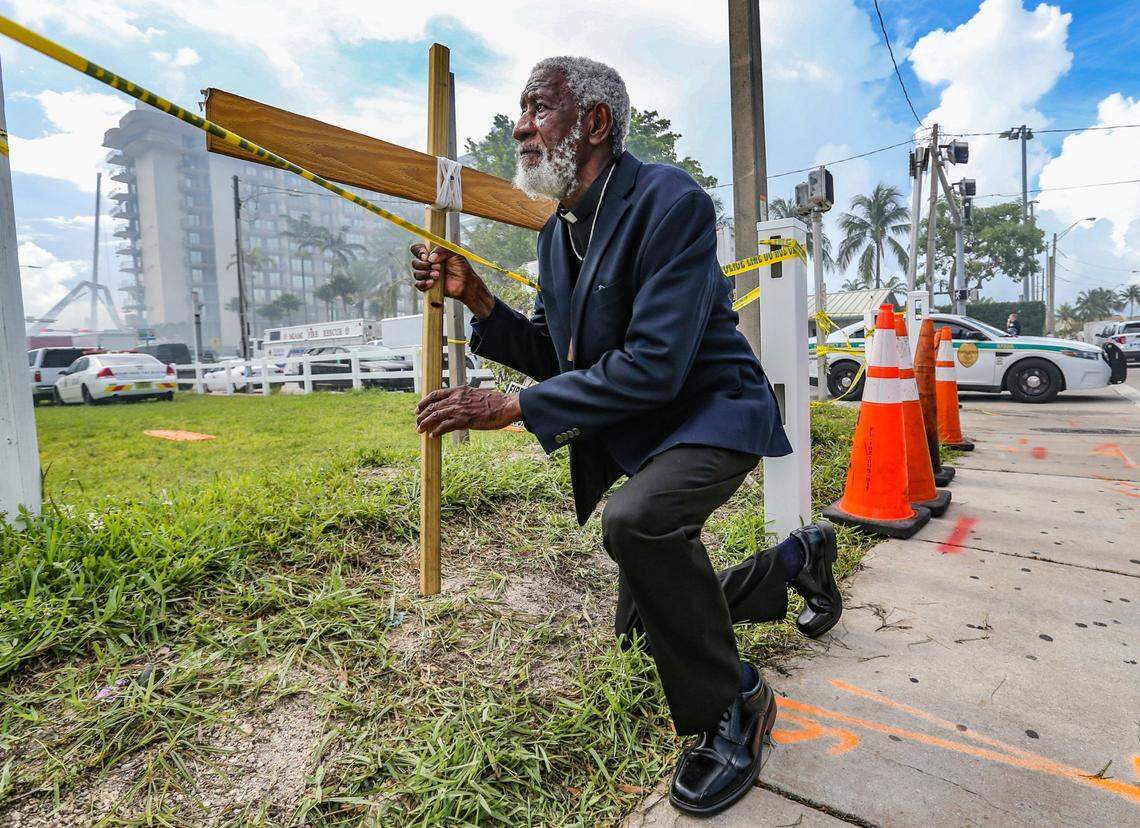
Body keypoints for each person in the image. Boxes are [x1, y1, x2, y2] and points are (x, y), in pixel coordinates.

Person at [410, 56, 841, 817]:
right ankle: (796, 560)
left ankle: (735, 702)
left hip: (713, 413)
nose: (519, 127)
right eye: (521, 111)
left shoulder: (668, 200)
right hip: (649, 433)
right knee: (649, 635)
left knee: (637, 521)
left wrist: (512, 408)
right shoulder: (556, 236)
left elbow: (653, 367)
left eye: (538, 109)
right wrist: (476, 299)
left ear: (596, 123)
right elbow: (555, 351)